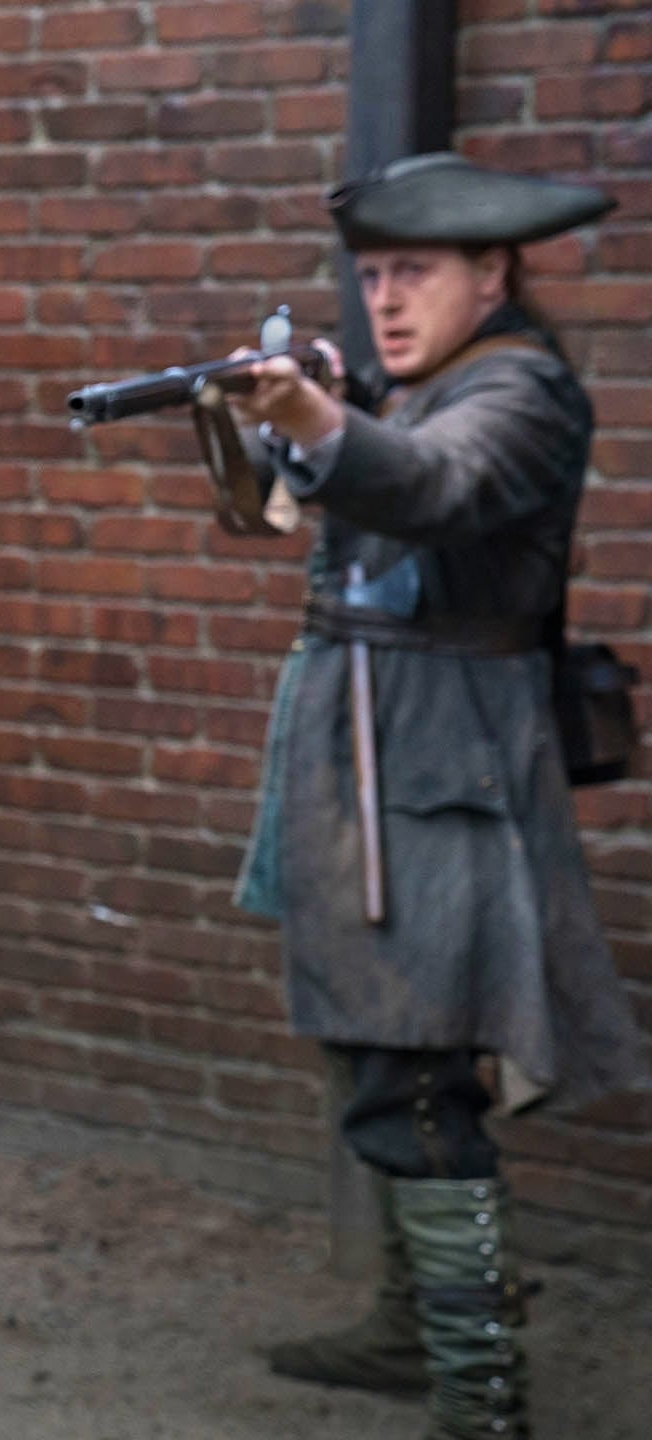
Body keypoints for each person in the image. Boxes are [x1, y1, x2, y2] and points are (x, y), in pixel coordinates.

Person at [228, 152, 652, 1440]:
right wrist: (281, 426)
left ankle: (481, 1401)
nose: (386, 299)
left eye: (413, 271)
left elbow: (435, 487)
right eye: (370, 276)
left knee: (414, 1077)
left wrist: (317, 421)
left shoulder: (521, 390)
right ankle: (414, 1335)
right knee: (377, 1047)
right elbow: (311, 503)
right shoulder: (415, 386)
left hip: (443, 767)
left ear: (493, 272)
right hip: (369, 757)